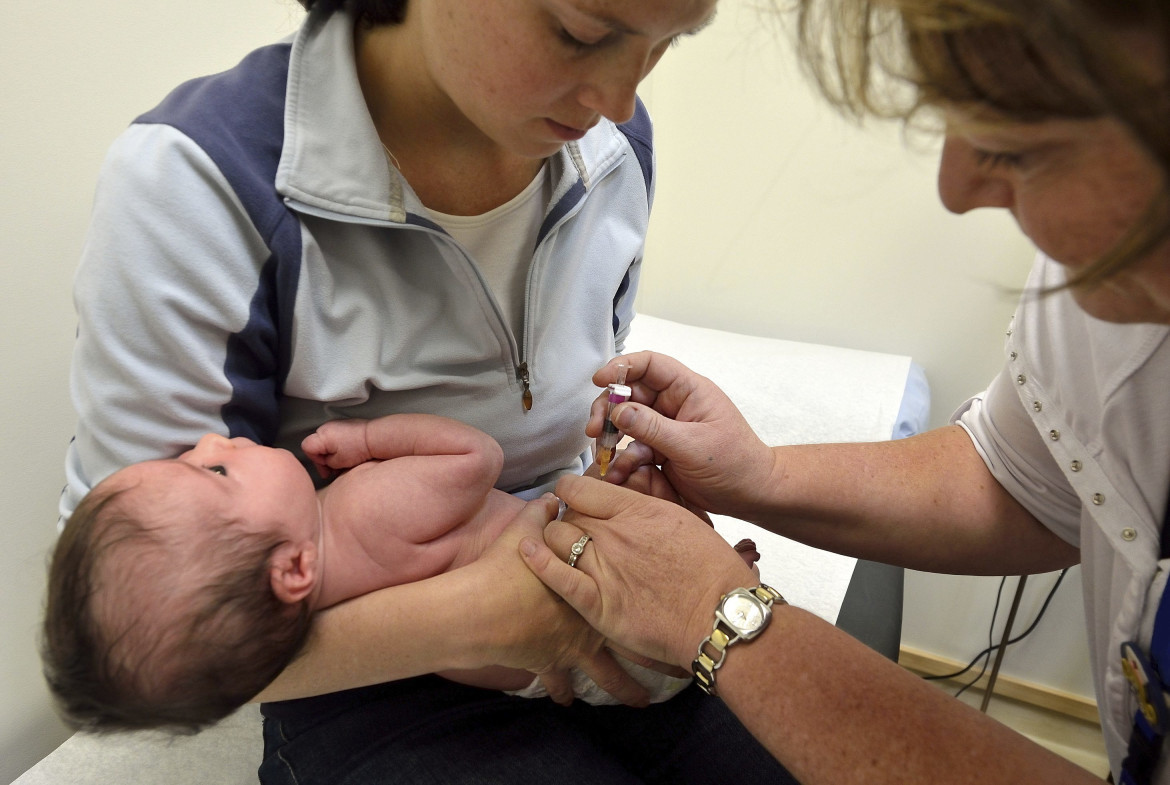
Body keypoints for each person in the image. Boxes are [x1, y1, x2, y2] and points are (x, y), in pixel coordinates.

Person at [59, 0, 799, 781]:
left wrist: (625, 488)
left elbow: (574, 414)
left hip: (570, 565)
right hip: (364, 669)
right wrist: (483, 616)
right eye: (580, 33)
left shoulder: (615, 151)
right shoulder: (199, 183)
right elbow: (151, 646)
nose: (620, 101)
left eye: (667, 43)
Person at [517, 1, 1170, 783]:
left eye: (1023, 144)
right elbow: (1032, 477)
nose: (957, 188)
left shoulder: (616, 154)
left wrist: (720, 613)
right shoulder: (1115, 282)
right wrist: (759, 475)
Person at [44, 414, 704, 732]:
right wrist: (367, 441)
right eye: (214, 472)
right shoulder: (364, 508)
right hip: (586, 607)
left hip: (554, 675)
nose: (211, 441)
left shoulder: (286, 618)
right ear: (294, 566)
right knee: (644, 517)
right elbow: (478, 458)